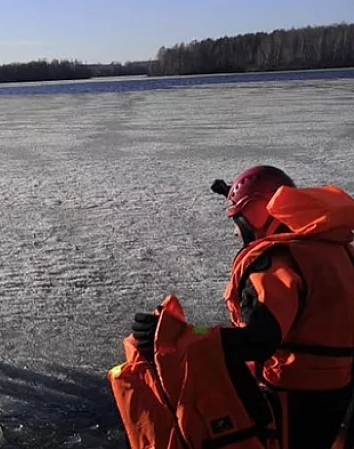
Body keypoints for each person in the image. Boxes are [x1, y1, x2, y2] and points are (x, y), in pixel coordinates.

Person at [119, 165, 354, 449]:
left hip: (289, 404)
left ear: (257, 215)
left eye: (238, 221)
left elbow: (258, 341)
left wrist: (179, 336)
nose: (235, 233)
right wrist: (197, 332)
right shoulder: (338, 253)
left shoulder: (277, 265)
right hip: (334, 400)